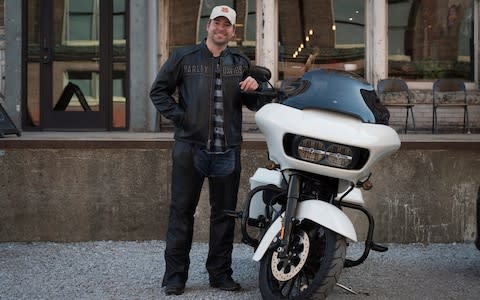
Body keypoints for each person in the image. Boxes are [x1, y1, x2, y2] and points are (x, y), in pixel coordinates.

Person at [150, 5, 263, 296]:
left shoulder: (239, 62)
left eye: (227, 25)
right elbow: (158, 91)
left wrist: (255, 86)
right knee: (181, 213)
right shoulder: (184, 57)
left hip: (227, 151)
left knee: (224, 216)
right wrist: (181, 117)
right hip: (190, 148)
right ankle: (174, 277)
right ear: (208, 26)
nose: (221, 29)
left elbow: (256, 102)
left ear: (233, 32)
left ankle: (220, 274)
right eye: (217, 23)